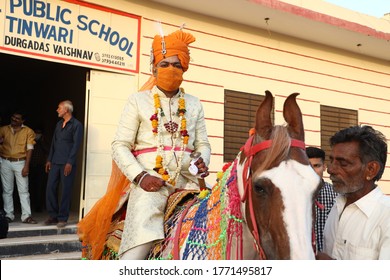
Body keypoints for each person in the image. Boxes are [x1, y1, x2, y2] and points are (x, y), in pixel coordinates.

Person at [78, 28, 211, 260]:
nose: (171, 70)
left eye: (177, 65)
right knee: (138, 248)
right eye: (165, 64)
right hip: (150, 184)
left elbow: (203, 145)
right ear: (154, 68)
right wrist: (140, 177)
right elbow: (119, 145)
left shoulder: (194, 104)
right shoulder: (137, 101)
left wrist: (201, 161)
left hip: (189, 183)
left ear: (184, 69)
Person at [316, 125, 390, 260]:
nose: (330, 169)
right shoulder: (336, 206)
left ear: (371, 170)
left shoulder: (386, 217)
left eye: (343, 163)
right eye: (331, 160)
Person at [44, 101, 83, 228]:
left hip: (67, 163)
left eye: (59, 108)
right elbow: (54, 143)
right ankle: (53, 216)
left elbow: (76, 145)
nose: (57, 110)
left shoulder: (77, 125)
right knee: (50, 188)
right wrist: (49, 159)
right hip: (55, 162)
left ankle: (63, 218)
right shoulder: (58, 124)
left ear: (66, 110)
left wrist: (70, 162)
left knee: (65, 190)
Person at [0, 112, 37, 224]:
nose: (14, 119)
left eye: (17, 118)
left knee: (24, 190)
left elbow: (30, 149)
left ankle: (26, 216)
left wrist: (26, 166)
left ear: (23, 121)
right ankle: (9, 215)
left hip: (20, 162)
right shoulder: (3, 129)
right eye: (13, 117)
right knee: (7, 191)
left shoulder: (28, 131)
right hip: (5, 161)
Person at [306, 147, 337, 252]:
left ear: (324, 167)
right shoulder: (293, 196)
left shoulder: (336, 194)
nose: (312, 171)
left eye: (316, 166)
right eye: (308, 166)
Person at [29, 128, 49, 212]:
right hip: (30, 166)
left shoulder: (43, 142)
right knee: (29, 187)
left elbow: (47, 150)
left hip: (40, 167)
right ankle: (29, 205)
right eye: (36, 133)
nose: (37, 134)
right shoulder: (30, 140)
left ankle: (38, 206)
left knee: (39, 187)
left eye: (39, 133)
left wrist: (41, 141)